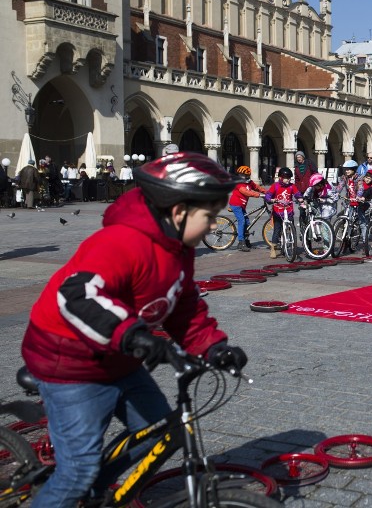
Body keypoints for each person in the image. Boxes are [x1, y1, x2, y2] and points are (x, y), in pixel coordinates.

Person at [20, 152, 247, 508]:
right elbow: (78, 295)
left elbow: (183, 305)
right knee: (77, 471)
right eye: (209, 216)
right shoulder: (122, 242)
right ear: (178, 211)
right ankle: (80, 486)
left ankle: (96, 492)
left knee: (163, 431)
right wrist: (132, 334)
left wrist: (214, 347)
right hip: (72, 363)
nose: (214, 226)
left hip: (120, 357)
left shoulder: (179, 248)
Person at [264, 167, 302, 258]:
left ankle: (292, 247)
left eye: (289, 178)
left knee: (291, 229)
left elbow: (297, 194)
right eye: (286, 178)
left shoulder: (292, 186)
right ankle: (273, 248)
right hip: (278, 211)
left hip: (289, 210)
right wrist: (271, 199)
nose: (288, 180)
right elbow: (268, 195)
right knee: (277, 229)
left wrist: (300, 198)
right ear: (281, 178)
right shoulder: (276, 186)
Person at [228, 165, 265, 252]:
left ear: (248, 176)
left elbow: (257, 187)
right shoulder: (238, 183)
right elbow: (246, 192)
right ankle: (241, 242)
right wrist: (258, 195)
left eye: (243, 175)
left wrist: (267, 192)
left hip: (242, 205)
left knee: (247, 222)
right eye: (240, 175)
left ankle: (246, 240)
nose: (241, 176)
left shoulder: (249, 182)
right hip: (236, 204)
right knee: (242, 221)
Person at [293, 151, 318, 228]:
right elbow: (296, 179)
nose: (298, 159)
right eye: (297, 158)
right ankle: (303, 224)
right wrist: (296, 189)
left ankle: (313, 222)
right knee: (302, 209)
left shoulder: (309, 164)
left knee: (312, 207)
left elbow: (315, 173)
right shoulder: (296, 167)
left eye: (300, 157)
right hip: (301, 190)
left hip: (311, 189)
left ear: (303, 157)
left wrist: (314, 184)